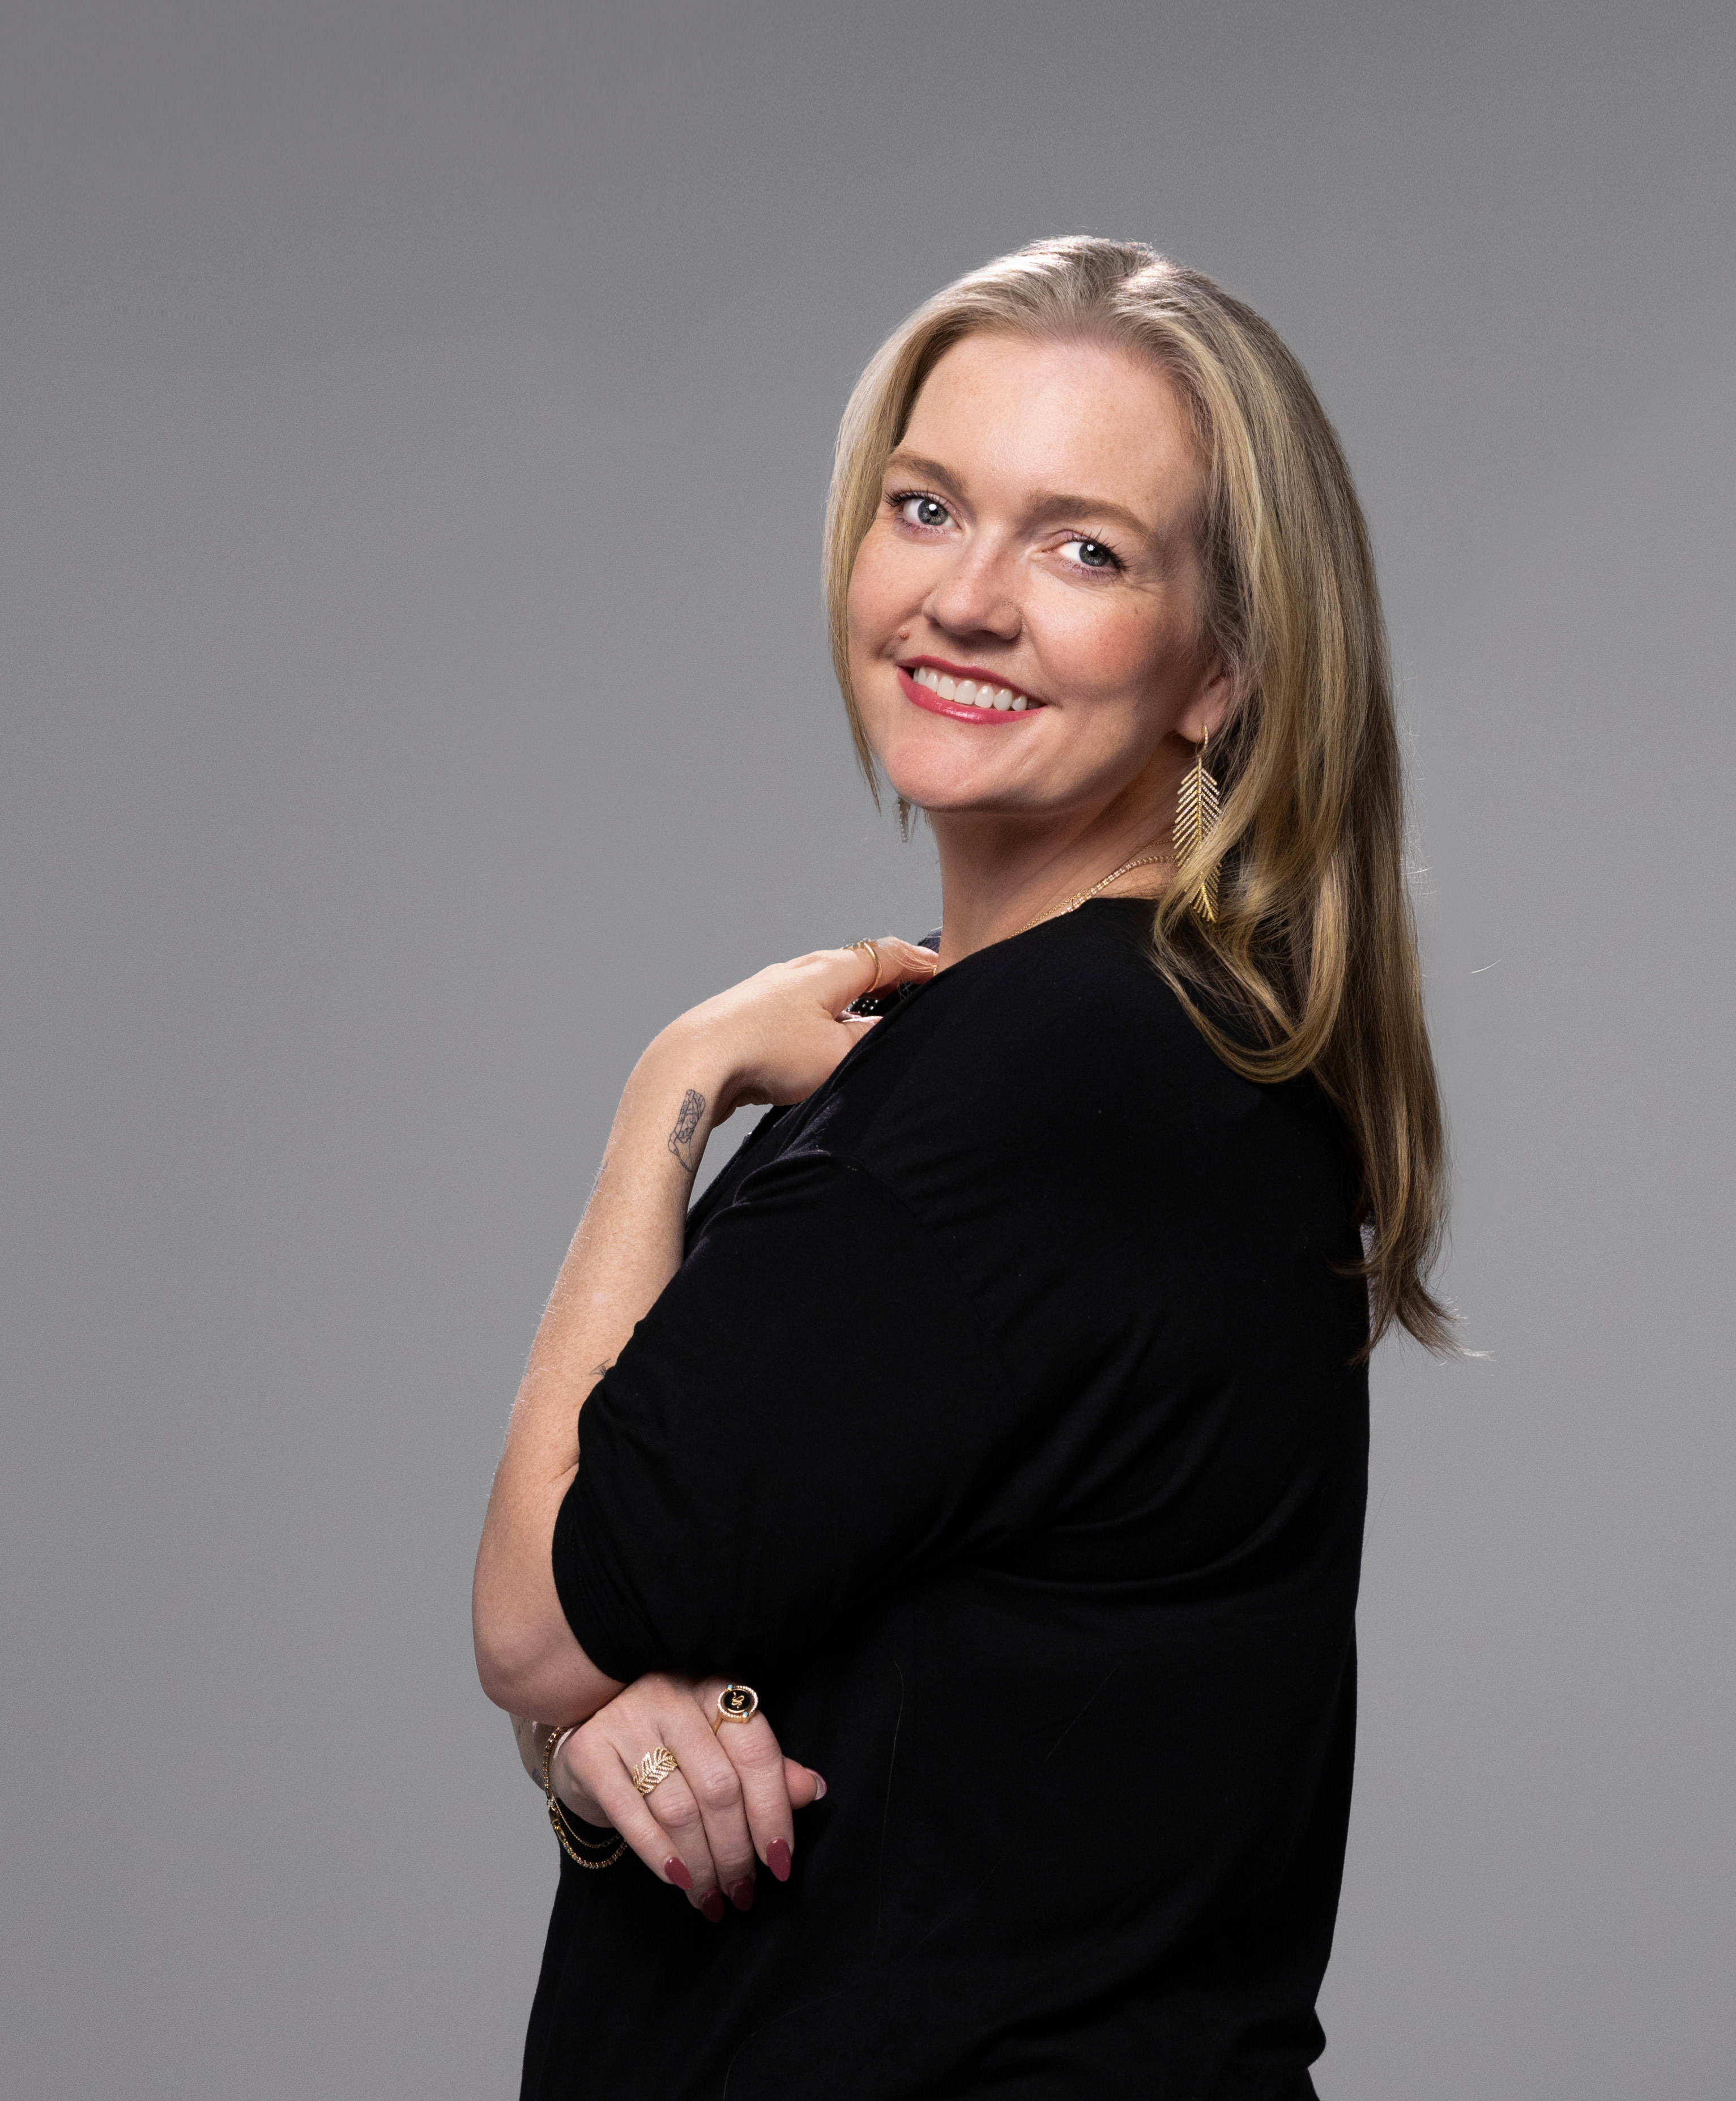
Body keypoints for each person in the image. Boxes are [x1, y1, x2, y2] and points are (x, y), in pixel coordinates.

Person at [472, 235, 1450, 2100]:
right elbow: (697, 1616)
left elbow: (536, 1614)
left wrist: (668, 1087)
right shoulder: (1107, 1044)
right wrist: (612, 1719)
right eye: (928, 507)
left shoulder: (1060, 1071)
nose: (969, 599)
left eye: (1086, 550)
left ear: (1223, 669)